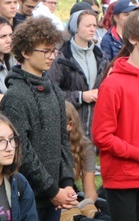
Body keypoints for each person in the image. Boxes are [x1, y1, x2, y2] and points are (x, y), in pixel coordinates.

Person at [0, 17, 76, 221]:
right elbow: (20, 150)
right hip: (28, 195)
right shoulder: (15, 96)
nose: (52, 56)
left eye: (54, 50)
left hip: (54, 194)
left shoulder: (53, 90)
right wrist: (52, 190)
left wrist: (67, 182)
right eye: (45, 50)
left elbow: (63, 139)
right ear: (25, 51)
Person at [92, 9, 139, 221]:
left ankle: (100, 208)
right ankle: (79, 220)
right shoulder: (113, 84)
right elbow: (102, 136)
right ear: (134, 39)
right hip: (122, 175)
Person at [47, 7, 106, 139]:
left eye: (94, 25)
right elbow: (50, 92)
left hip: (94, 126)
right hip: (69, 127)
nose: (92, 29)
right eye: (88, 25)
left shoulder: (100, 56)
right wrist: (80, 96)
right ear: (76, 27)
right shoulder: (61, 57)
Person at [59, 101, 113, 221]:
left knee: (100, 214)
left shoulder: (84, 146)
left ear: (69, 125)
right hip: (54, 198)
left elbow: (90, 191)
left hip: (73, 195)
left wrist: (85, 204)